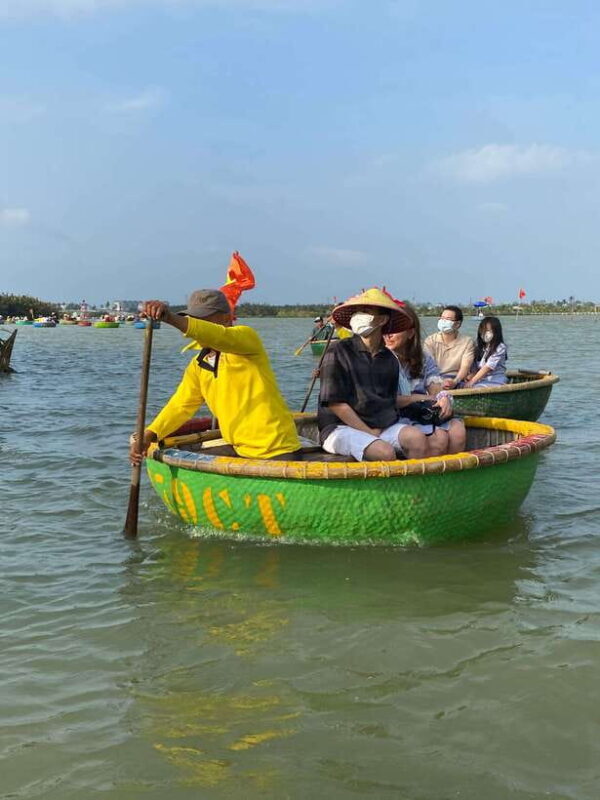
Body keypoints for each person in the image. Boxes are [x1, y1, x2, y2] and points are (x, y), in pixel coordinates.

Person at [129, 289, 303, 463]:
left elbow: (218, 335)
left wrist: (169, 318)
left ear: (226, 318)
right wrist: (150, 434)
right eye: (193, 319)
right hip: (240, 448)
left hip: (277, 449)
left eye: (204, 319)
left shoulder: (247, 341)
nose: (198, 325)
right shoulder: (198, 365)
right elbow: (181, 406)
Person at [317, 288, 432, 461]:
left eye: (366, 311)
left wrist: (421, 400)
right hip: (339, 427)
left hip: (378, 425)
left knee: (417, 439)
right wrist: (369, 432)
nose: (359, 316)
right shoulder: (338, 351)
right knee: (384, 452)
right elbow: (336, 404)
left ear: (382, 320)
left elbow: (388, 401)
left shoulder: (389, 359)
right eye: (358, 312)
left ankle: (415, 478)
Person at [383, 303, 466, 456]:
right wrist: (418, 398)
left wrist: (443, 399)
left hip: (420, 412)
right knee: (439, 439)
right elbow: (383, 400)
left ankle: (452, 471)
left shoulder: (423, 359)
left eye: (395, 329)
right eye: (385, 329)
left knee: (458, 432)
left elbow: (436, 390)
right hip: (393, 416)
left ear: (410, 333)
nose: (388, 335)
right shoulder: (380, 359)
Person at [424, 305, 474, 389]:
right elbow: (429, 367)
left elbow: (465, 366)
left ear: (457, 324)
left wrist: (455, 381)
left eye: (448, 319)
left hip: (457, 379)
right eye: (442, 318)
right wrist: (439, 382)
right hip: (435, 378)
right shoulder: (430, 340)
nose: (443, 321)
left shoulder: (467, 342)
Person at [464, 316, 508, 388]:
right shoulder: (479, 347)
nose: (485, 333)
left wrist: (472, 381)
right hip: (479, 379)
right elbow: (475, 367)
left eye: (488, 330)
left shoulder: (500, 347)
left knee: (475, 387)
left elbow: (488, 367)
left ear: (496, 332)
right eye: (483, 330)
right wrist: (471, 375)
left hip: (495, 380)